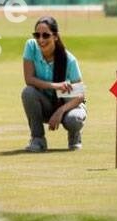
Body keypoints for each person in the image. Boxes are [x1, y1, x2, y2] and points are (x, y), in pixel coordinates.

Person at [21, 16, 86, 151]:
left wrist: (60, 111)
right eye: (37, 35)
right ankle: (38, 140)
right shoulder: (31, 46)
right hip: (46, 104)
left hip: (69, 106)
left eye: (45, 35)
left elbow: (80, 95)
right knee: (28, 92)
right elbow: (29, 79)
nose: (41, 39)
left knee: (73, 120)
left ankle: (74, 135)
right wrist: (55, 85)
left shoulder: (69, 60)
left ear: (55, 36)